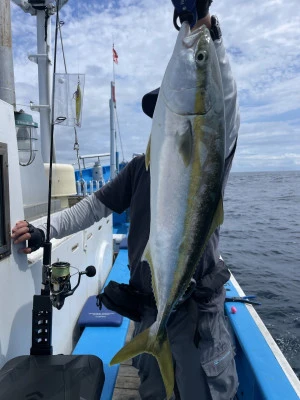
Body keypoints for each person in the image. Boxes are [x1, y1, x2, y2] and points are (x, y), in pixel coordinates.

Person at [12, 1, 240, 399]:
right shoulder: (140, 169)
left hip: (196, 313)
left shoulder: (208, 149)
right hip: (151, 308)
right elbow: (93, 207)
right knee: (153, 391)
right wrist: (44, 230)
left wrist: (206, 27)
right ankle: (153, 342)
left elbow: (225, 111)